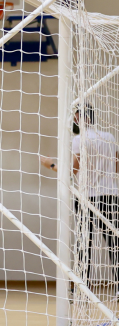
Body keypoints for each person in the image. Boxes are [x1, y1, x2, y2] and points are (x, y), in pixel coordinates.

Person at [41, 104, 119, 289]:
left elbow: (72, 172)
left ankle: (83, 288)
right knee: (114, 243)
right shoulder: (109, 137)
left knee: (85, 244)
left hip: (88, 198)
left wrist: (50, 165)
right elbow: (116, 168)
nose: (75, 121)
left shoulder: (79, 139)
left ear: (86, 118)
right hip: (111, 197)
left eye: (77, 117)